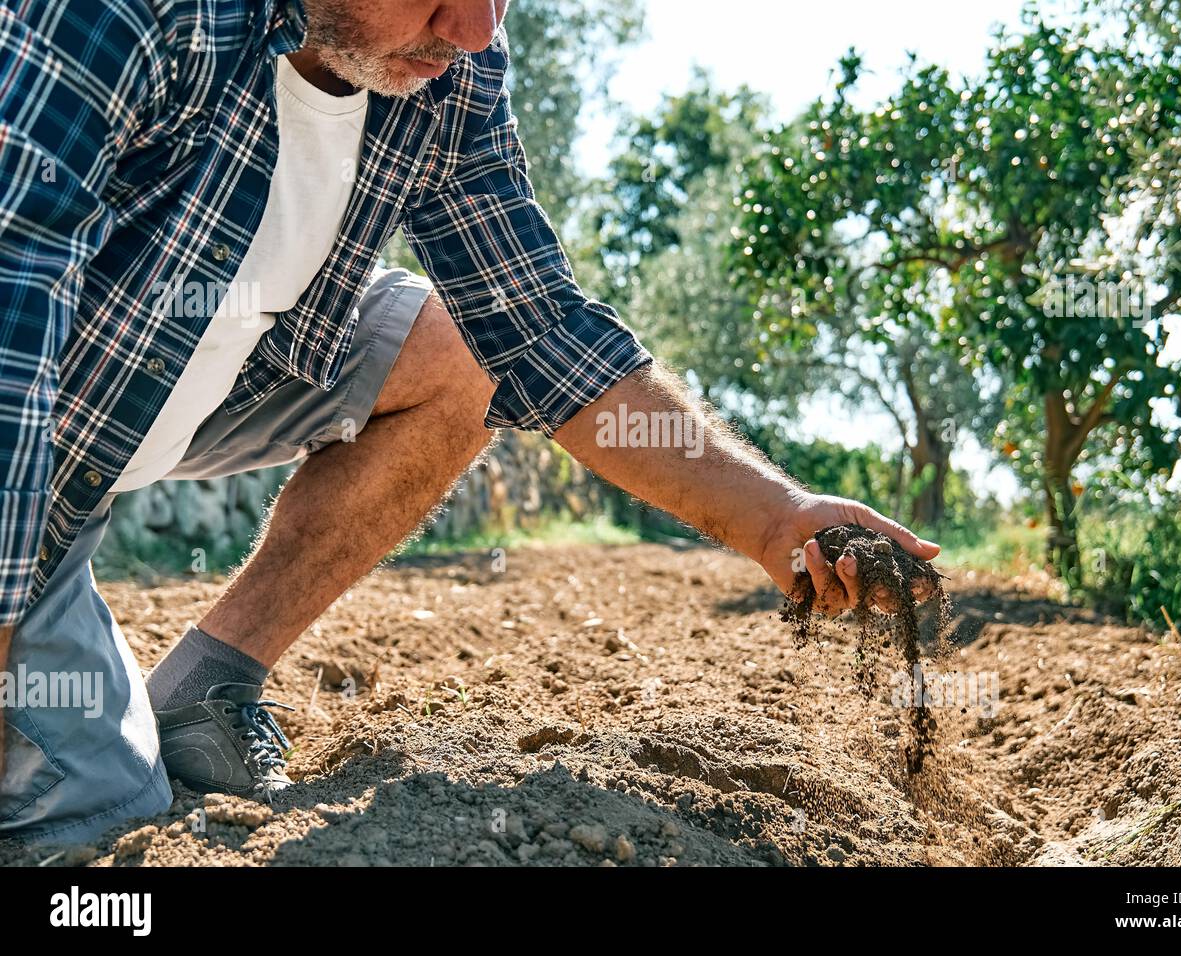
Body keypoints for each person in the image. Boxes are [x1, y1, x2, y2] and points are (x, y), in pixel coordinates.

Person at [0, 0, 938, 844]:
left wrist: (774, 516)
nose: (477, 30)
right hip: (33, 455)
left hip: (172, 366)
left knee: (461, 356)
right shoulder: (119, 17)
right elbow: (9, 337)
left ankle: (205, 693)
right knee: (96, 820)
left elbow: (541, 334)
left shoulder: (449, 73)